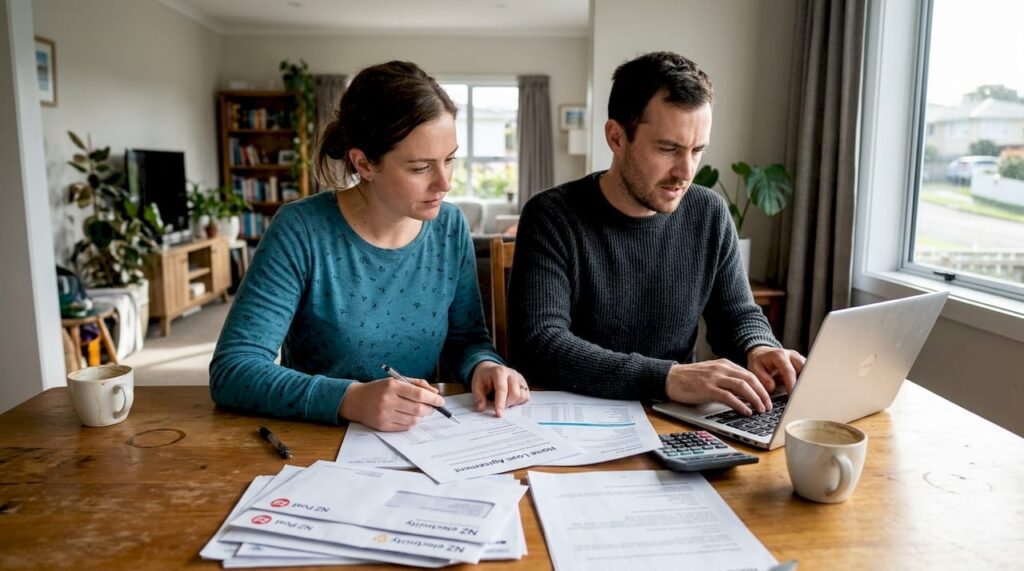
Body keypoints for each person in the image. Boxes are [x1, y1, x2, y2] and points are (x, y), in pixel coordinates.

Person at [210, 61, 530, 431]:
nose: (444, 183)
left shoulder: (449, 227)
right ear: (363, 163)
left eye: (450, 159)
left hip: (421, 440)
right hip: (317, 443)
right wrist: (349, 399)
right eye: (421, 167)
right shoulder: (300, 230)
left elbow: (466, 340)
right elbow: (233, 370)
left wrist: (484, 366)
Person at [508, 51, 804, 416]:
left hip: (672, 417)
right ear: (616, 138)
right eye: (668, 149)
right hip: (572, 418)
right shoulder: (551, 216)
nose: (686, 171)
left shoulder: (709, 213)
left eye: (698, 150)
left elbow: (737, 314)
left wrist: (758, 347)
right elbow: (541, 344)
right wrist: (667, 377)